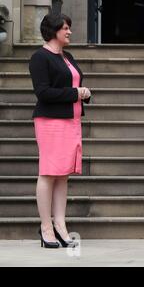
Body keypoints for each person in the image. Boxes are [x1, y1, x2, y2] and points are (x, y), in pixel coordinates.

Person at [29, 13, 91, 248]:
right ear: (53, 31)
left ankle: (60, 225)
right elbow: (43, 93)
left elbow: (73, 85)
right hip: (50, 122)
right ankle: (46, 227)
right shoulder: (39, 57)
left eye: (69, 27)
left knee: (63, 174)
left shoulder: (68, 57)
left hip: (71, 121)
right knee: (48, 173)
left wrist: (85, 93)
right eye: (65, 28)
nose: (69, 32)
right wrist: (76, 93)